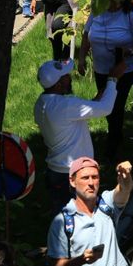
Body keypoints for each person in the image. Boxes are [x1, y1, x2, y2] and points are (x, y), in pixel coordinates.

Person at [34, 58, 117, 208]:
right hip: (76, 173)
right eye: (66, 76)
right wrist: (112, 80)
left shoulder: (41, 103)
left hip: (55, 171)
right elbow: (106, 108)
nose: (69, 78)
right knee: (84, 216)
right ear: (58, 84)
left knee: (61, 217)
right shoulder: (66, 105)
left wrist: (94, 101)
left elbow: (72, 116)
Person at [76, 0, 133, 158]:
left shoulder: (131, 14)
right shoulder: (97, 11)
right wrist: (81, 59)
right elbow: (86, 34)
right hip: (101, 68)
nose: (112, 2)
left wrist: (129, 51)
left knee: (116, 104)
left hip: (123, 69)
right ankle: (116, 135)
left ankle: (113, 145)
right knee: (107, 104)